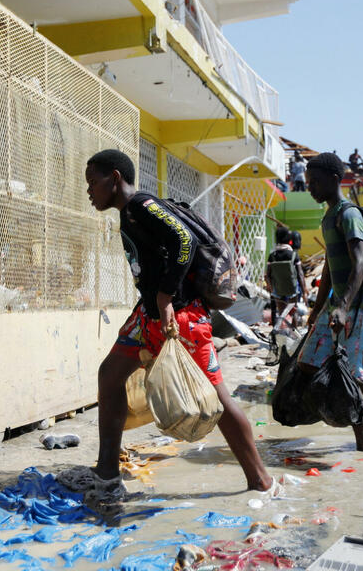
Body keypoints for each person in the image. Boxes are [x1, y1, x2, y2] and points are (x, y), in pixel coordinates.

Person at [80, 149, 275, 501]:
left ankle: (260, 478)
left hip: (182, 318)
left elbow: (185, 239)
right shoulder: (130, 214)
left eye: (93, 182)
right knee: (110, 375)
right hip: (148, 317)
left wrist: (167, 295)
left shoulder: (142, 206)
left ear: (115, 178)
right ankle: (107, 472)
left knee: (217, 400)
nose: (90, 191)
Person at [297, 153, 363, 452]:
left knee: (351, 376)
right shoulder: (329, 216)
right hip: (338, 305)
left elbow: (360, 264)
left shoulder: (348, 214)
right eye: (308, 183)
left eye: (315, 182)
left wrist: (342, 306)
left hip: (359, 306)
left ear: (333, 179)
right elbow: (330, 266)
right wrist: (318, 307)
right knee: (308, 362)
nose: (311, 188)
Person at [265, 227, 307, 328]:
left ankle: (281, 332)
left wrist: (270, 287)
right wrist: (304, 291)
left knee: (282, 313)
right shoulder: (293, 255)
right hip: (292, 289)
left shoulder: (272, 256)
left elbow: (268, 275)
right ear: (289, 240)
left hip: (278, 289)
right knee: (293, 311)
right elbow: (300, 274)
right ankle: (294, 331)